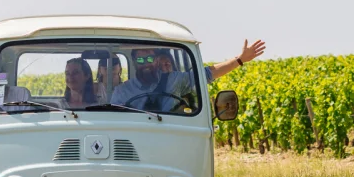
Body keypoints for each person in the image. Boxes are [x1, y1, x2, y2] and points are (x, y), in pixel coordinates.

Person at [110, 39, 266, 113]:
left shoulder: (173, 80)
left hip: (169, 135)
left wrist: (239, 60)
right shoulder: (122, 92)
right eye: (140, 59)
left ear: (156, 61)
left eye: (149, 59)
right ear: (134, 62)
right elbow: (115, 124)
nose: (145, 63)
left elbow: (207, 74)